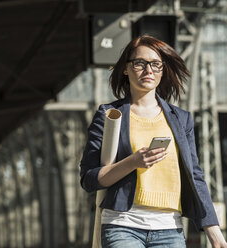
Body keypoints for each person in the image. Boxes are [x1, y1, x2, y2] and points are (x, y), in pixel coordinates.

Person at [79, 35, 227, 248]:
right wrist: (133, 162)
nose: (149, 70)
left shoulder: (180, 119)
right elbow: (89, 178)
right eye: (140, 63)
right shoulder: (109, 115)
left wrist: (213, 231)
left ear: (162, 70)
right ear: (125, 69)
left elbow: (195, 176)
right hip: (122, 225)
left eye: (156, 64)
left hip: (170, 229)